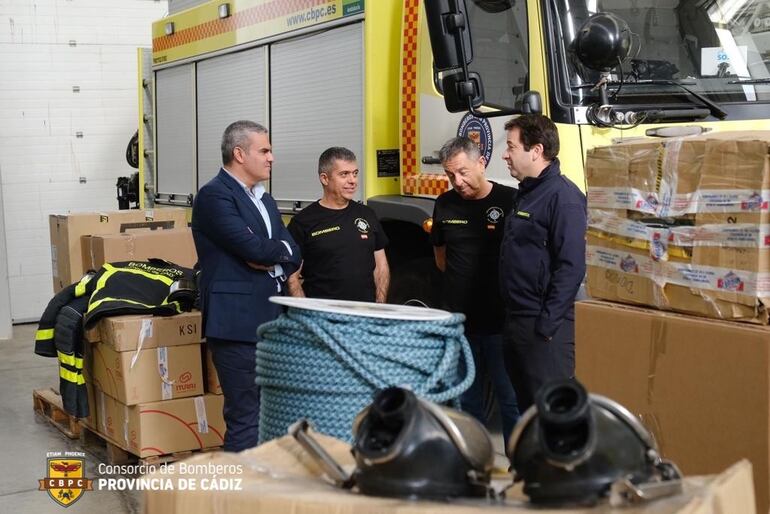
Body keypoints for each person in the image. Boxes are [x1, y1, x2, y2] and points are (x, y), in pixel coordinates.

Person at [191, 120, 301, 452]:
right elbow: (254, 250)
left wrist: (275, 254)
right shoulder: (214, 196)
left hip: (272, 322)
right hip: (236, 325)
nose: (272, 158)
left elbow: (293, 252)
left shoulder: (264, 200)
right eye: (264, 150)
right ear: (239, 153)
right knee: (246, 418)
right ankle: (236, 497)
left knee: (272, 415)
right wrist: (272, 251)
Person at [431, 136, 519, 447]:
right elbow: (441, 259)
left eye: (463, 171)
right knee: (467, 403)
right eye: (450, 174)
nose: (457, 181)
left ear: (482, 163)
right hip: (460, 325)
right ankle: (475, 461)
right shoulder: (444, 204)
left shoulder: (511, 201)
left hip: (501, 323)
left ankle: (518, 466)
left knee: (510, 401)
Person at [499, 114, 587, 412]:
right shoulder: (527, 193)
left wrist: (546, 326)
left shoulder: (564, 198)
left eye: (511, 147)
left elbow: (571, 267)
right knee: (526, 413)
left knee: (550, 417)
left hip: (544, 330)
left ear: (535, 151)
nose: (505, 154)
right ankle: (525, 460)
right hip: (517, 322)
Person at [287, 147, 390, 302]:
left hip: (364, 315)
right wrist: (307, 315)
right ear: (324, 178)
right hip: (323, 318)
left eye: (355, 173)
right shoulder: (302, 222)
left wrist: (379, 306)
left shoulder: (367, 214)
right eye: (344, 174)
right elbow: (291, 277)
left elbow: (381, 266)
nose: (353, 181)